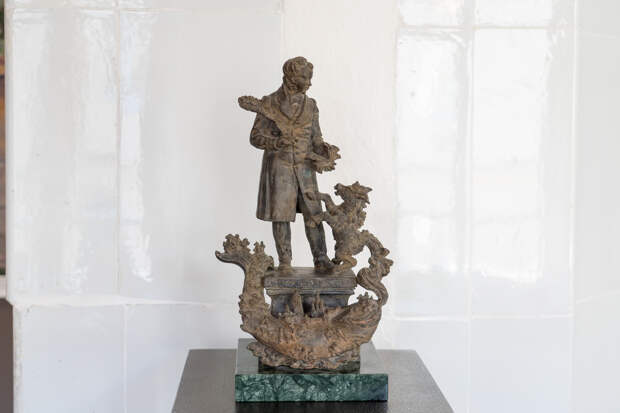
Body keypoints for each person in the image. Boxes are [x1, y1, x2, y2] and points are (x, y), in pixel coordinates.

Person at [249, 57, 335, 273]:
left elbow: (316, 137)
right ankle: (285, 260)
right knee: (281, 215)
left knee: (314, 212)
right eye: (305, 78)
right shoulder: (269, 103)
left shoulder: (311, 105)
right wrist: (276, 142)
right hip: (280, 167)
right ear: (291, 77)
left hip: (305, 168)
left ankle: (321, 258)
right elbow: (255, 137)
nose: (309, 83)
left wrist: (324, 150)